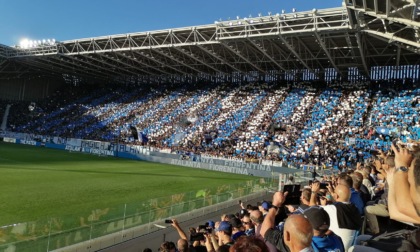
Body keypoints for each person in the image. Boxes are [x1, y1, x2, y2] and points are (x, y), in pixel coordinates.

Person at [311, 182, 362, 250]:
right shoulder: (355, 208)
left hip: (336, 247)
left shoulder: (332, 209)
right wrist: (333, 193)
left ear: (336, 196)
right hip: (349, 246)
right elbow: (341, 204)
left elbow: (311, 211)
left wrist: (313, 192)